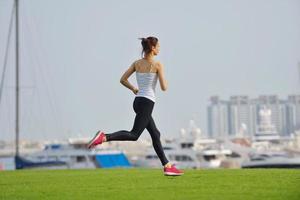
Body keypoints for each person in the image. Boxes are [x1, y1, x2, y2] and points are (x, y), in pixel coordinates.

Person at [87, 36, 183, 176]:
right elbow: (164, 87)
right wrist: (164, 79)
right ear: (152, 48)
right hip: (147, 102)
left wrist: (133, 89)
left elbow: (123, 79)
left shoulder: (136, 63)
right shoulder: (157, 65)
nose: (160, 49)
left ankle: (167, 166)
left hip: (137, 101)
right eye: (158, 47)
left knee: (155, 134)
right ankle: (104, 137)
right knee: (134, 135)